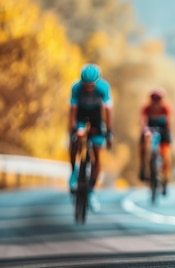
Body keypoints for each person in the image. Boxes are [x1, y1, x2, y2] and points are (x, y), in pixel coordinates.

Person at [68, 63, 113, 212]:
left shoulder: (103, 88)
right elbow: (73, 111)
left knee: (97, 152)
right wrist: (73, 130)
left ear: (97, 82)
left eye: (91, 86)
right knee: (75, 139)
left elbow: (108, 111)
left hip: (96, 117)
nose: (88, 88)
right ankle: (74, 171)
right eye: (85, 85)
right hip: (81, 115)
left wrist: (109, 130)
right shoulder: (76, 88)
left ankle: (92, 190)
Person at [138, 88, 172, 195]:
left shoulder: (165, 109)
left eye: (158, 100)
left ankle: (165, 178)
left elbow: (168, 123)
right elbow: (143, 121)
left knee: (166, 154)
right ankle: (143, 167)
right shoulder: (146, 108)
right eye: (154, 100)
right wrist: (146, 130)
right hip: (150, 130)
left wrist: (166, 132)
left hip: (163, 130)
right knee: (142, 144)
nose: (156, 103)